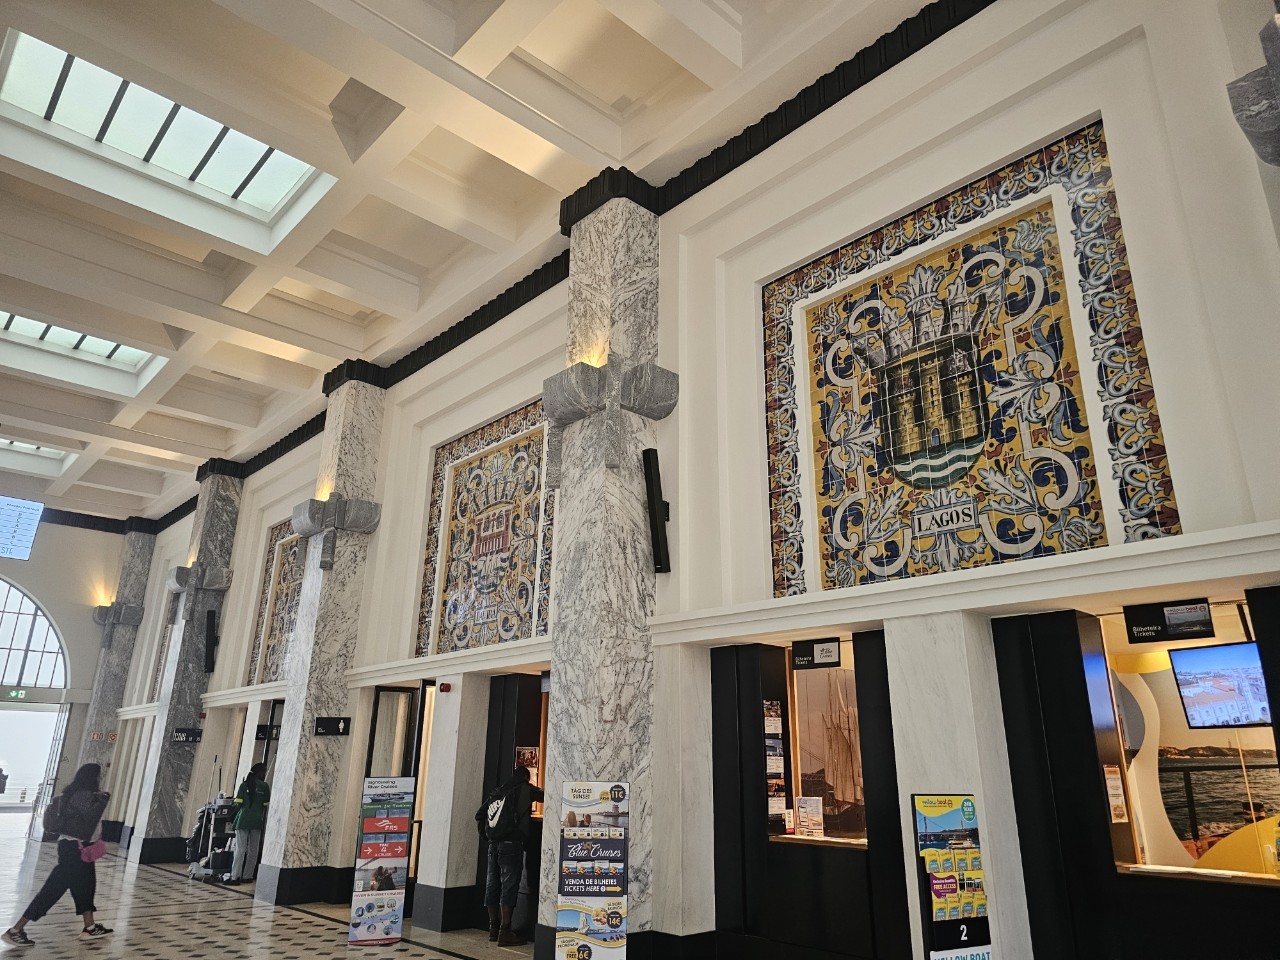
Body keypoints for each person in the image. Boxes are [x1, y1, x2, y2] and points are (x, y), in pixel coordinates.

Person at [3, 763, 112, 947]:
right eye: (99, 775)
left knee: (86, 888)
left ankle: (90, 927)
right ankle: (16, 930)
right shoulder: (83, 796)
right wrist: (103, 797)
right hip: (76, 850)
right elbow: (91, 817)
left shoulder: (72, 794)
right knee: (52, 891)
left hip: (75, 848)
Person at [477, 765, 543, 946]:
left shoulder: (499, 791)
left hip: (493, 845)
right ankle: (505, 931)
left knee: (492, 885)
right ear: (526, 777)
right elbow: (546, 796)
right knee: (509, 886)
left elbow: (479, 814)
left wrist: (488, 836)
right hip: (512, 845)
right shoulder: (525, 789)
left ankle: (493, 929)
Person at [225, 763, 270, 885]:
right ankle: (247, 876)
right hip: (257, 821)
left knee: (240, 849)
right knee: (253, 850)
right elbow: (265, 805)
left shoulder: (244, 785)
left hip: (243, 820)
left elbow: (238, 803)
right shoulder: (265, 786)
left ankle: (235, 877)